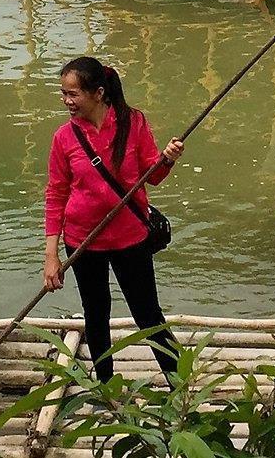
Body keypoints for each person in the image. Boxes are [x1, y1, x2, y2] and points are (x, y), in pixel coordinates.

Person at [43, 56, 183, 380]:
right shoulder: (64, 138)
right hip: (82, 241)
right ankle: (106, 386)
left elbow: (154, 175)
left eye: (73, 94)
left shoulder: (133, 122)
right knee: (96, 315)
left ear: (98, 93)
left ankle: (179, 384)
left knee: (147, 314)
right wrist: (51, 255)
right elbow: (55, 195)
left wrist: (168, 159)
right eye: (63, 93)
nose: (66, 101)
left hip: (130, 237)